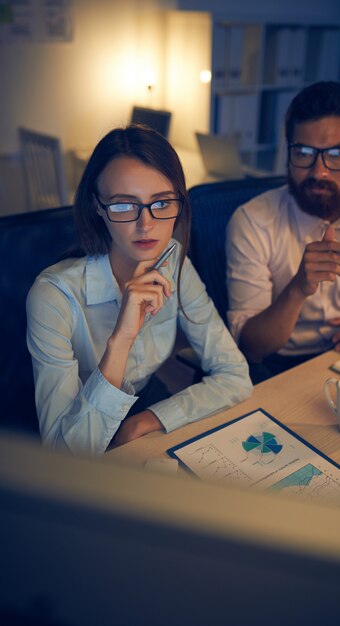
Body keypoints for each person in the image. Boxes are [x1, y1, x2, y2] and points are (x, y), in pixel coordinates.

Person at [26, 124, 252, 455]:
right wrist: (121, 340)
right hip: (78, 426)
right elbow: (65, 454)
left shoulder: (174, 265)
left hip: (143, 411)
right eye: (123, 205)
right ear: (97, 207)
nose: (146, 225)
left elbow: (235, 376)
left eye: (161, 203)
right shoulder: (53, 296)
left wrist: (145, 420)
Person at [226, 81, 340, 383]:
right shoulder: (252, 222)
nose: (319, 171)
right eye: (304, 152)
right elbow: (252, 348)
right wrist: (298, 288)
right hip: (277, 365)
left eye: (336, 154)